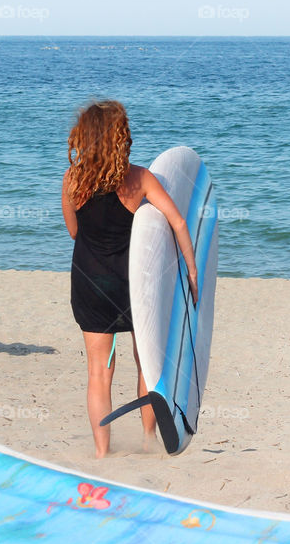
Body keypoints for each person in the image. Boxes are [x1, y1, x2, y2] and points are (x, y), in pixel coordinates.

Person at [61, 101, 198, 458]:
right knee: (147, 363)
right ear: (121, 137)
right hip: (133, 286)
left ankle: (102, 453)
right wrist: (192, 271)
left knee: (98, 372)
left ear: (86, 137)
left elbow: (74, 232)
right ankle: (148, 441)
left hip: (90, 284)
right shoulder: (140, 179)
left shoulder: (72, 178)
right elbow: (178, 223)